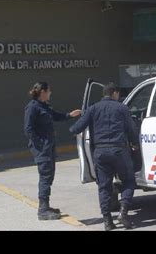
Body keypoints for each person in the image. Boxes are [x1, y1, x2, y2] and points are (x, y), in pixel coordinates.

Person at [69, 82, 139, 231]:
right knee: (129, 181)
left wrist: (75, 122)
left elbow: (76, 128)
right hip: (119, 151)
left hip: (100, 153)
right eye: (118, 94)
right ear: (114, 93)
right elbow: (131, 128)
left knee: (104, 187)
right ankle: (124, 212)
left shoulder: (93, 108)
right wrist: (135, 144)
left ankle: (108, 221)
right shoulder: (121, 108)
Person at [24, 82, 81, 220]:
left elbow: (55, 115)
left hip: (48, 148)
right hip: (42, 150)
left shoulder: (44, 106)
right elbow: (28, 129)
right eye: (49, 91)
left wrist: (70, 115)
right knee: (45, 177)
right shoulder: (32, 108)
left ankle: (46, 205)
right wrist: (41, 145)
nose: (51, 93)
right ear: (42, 92)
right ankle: (43, 210)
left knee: (49, 176)